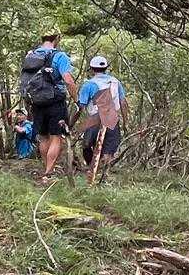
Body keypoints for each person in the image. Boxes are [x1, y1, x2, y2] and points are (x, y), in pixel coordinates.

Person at [17, 33, 78, 181]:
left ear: (42, 39)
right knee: (56, 137)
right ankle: (48, 173)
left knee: (43, 137)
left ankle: (46, 170)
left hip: (36, 102)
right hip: (55, 101)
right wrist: (76, 99)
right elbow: (68, 80)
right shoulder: (60, 56)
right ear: (56, 39)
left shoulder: (31, 55)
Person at [76, 56, 127, 183]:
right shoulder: (115, 82)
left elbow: (81, 107)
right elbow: (123, 102)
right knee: (108, 148)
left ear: (92, 68)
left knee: (87, 145)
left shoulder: (88, 84)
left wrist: (73, 123)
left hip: (94, 118)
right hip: (112, 119)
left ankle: (92, 169)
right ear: (106, 68)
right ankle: (103, 173)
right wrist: (125, 122)